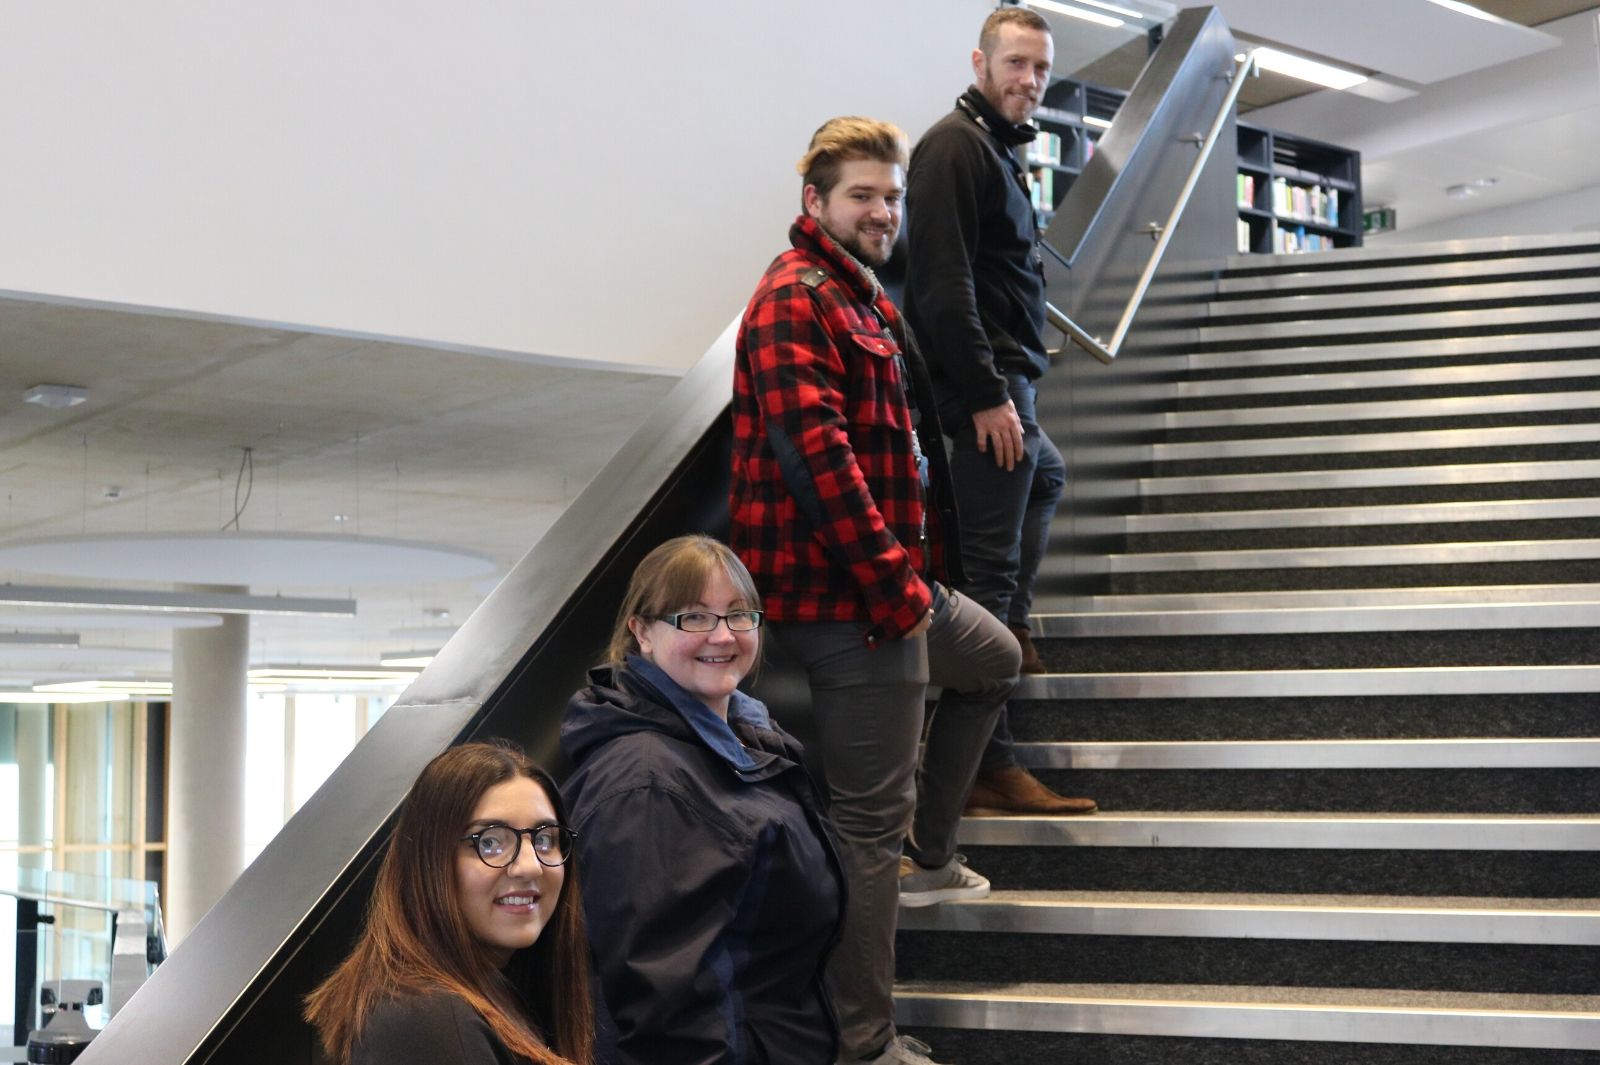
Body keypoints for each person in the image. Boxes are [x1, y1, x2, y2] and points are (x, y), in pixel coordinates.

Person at [729, 116, 1020, 1065]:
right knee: (866, 826)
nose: (884, 212)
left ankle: (932, 857)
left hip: (893, 586)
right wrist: (900, 590)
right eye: (863, 195)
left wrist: (916, 583)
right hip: (847, 603)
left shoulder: (863, 297)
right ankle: (864, 1043)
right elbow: (819, 465)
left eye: (891, 197)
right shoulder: (792, 299)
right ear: (815, 202)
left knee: (994, 658)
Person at [903, 7, 1096, 817]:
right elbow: (941, 285)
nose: (1030, 81)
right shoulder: (952, 146)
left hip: (1015, 380)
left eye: (1042, 70)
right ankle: (990, 764)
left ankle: (1013, 633)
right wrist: (984, 395)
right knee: (983, 583)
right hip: (987, 391)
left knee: (1044, 481)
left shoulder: (996, 150)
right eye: (1016, 64)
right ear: (980, 62)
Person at [561, 534, 845, 1065]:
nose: (723, 635)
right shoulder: (648, 785)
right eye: (693, 617)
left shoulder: (746, 734)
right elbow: (663, 1007)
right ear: (641, 632)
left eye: (739, 615)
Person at [303, 741, 594, 1065]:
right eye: (491, 842)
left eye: (543, 839)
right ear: (430, 862)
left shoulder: (492, 988)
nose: (531, 866)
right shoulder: (430, 1022)